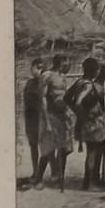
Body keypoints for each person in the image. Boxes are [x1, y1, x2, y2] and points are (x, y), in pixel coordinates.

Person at [65, 56, 105, 190]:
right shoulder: (88, 85)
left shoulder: (79, 82)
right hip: (92, 122)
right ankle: (89, 183)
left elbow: (67, 98)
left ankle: (92, 180)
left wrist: (79, 113)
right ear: (94, 71)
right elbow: (78, 101)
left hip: (90, 121)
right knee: (92, 151)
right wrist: (84, 114)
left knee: (94, 150)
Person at [33, 52, 73, 189]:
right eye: (66, 63)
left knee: (65, 148)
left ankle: (58, 177)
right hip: (50, 115)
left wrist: (67, 113)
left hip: (62, 116)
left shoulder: (63, 77)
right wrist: (47, 121)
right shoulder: (47, 76)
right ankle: (38, 179)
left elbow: (64, 96)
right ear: (61, 62)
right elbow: (42, 98)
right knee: (47, 149)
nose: (68, 65)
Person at [22, 58, 44, 178]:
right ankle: (36, 171)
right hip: (31, 118)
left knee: (46, 147)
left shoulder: (44, 82)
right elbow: (27, 101)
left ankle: (49, 173)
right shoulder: (30, 83)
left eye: (40, 68)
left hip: (42, 117)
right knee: (33, 146)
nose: (36, 70)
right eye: (36, 68)